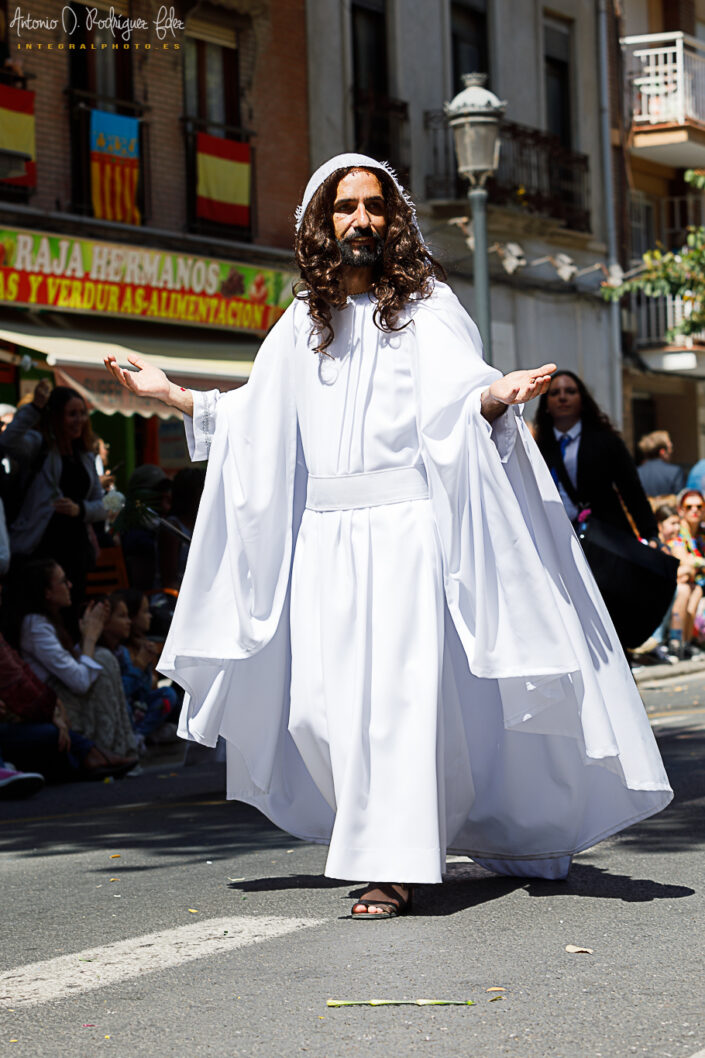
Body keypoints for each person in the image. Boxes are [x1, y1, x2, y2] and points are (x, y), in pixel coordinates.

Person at [105, 153, 671, 919]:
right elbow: (253, 421)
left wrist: (496, 397)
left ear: (392, 219)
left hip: (406, 537)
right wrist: (168, 392)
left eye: (374, 206)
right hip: (324, 542)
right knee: (319, 710)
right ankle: (458, 831)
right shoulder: (304, 321)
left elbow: (459, 401)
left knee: (396, 705)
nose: (361, 220)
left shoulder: (427, 309)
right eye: (345, 208)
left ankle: (392, 865)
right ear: (322, 223)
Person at [0, 382, 107, 629]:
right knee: (38, 620)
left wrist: (79, 509)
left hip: (75, 553)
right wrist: (35, 407)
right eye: (72, 414)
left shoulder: (85, 456)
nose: (79, 420)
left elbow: (100, 505)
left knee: (71, 619)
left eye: (82, 413)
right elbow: (7, 441)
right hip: (41, 551)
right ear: (56, 417)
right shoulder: (38, 446)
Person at [12, 559, 138, 763]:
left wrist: (88, 636)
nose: (70, 585)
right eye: (63, 582)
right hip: (56, 704)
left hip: (65, 695)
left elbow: (76, 669)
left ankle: (123, 748)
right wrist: (90, 637)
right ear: (47, 593)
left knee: (102, 657)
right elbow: (79, 681)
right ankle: (108, 748)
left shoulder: (47, 622)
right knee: (102, 658)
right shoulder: (35, 627)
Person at [534, 370, 657, 539]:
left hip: (605, 539)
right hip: (557, 538)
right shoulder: (536, 447)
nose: (562, 398)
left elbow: (631, 490)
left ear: (582, 400)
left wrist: (650, 534)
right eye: (554, 393)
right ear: (545, 404)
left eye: (570, 391)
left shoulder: (606, 441)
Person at [107, 589, 178, 743]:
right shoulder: (119, 653)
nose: (150, 616)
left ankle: (143, 734)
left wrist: (149, 673)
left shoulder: (143, 646)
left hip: (141, 709)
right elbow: (122, 692)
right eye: (145, 611)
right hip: (125, 711)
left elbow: (149, 690)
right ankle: (138, 736)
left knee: (169, 694)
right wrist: (139, 665)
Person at [656, 503, 702, 658]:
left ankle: (685, 642)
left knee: (695, 589)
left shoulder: (673, 544)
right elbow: (675, 573)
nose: (677, 528)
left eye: (678, 523)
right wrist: (684, 570)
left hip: (668, 590)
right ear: (659, 525)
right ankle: (673, 642)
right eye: (672, 523)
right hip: (655, 595)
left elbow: (686, 571)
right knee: (683, 589)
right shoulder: (657, 543)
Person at [637, 430, 685, 498]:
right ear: (662, 452)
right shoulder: (675, 472)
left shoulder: (637, 472)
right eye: (670, 448)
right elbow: (679, 499)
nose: (671, 452)